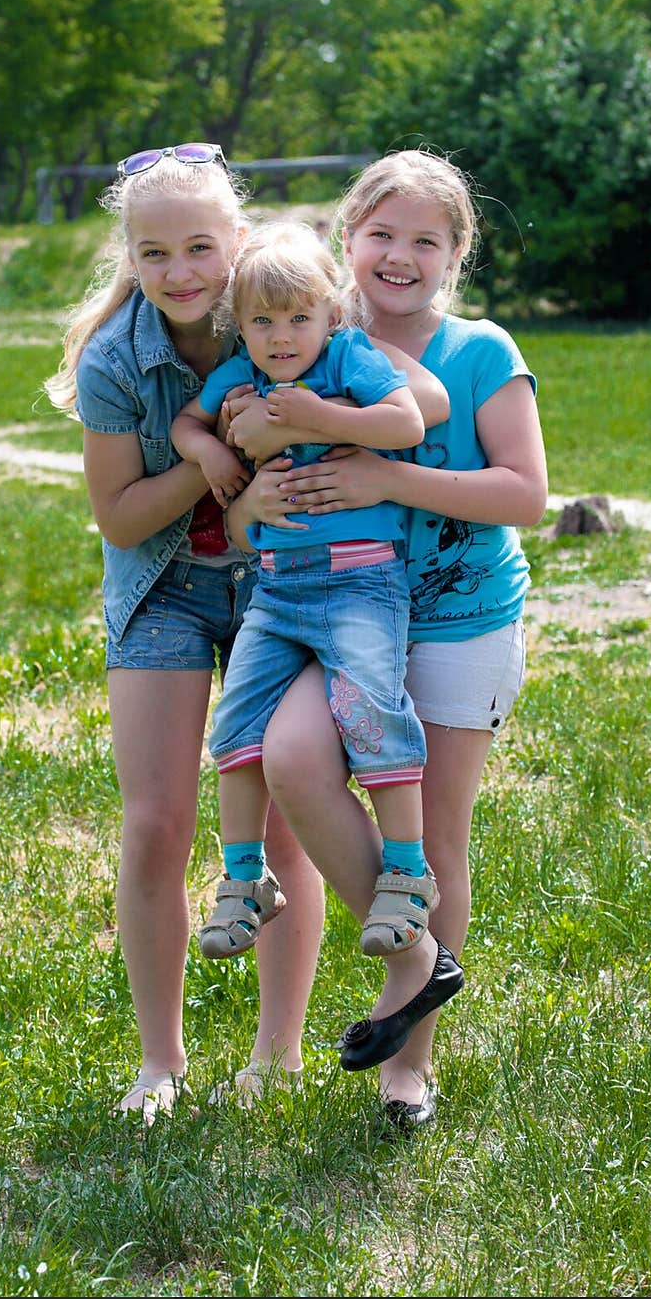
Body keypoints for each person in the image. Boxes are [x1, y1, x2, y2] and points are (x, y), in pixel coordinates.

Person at [225, 148, 548, 1131]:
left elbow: (524, 494)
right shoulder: (303, 338)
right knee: (287, 758)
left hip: (456, 620)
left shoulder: (479, 351)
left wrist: (388, 478)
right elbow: (244, 501)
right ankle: (418, 963)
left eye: (426, 239)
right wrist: (252, 506)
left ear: (456, 254)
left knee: (436, 834)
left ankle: (409, 1063)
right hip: (337, 617)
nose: (399, 255)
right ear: (346, 242)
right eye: (381, 234)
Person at [43, 143, 328, 1120]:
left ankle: (275, 1056)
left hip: (278, 589)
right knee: (156, 822)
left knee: (281, 821)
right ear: (130, 255)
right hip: (160, 589)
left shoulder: (282, 321)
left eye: (201, 246)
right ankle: (159, 1062)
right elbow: (120, 518)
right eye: (154, 252)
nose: (181, 271)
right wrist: (218, 458)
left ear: (236, 241)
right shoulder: (119, 356)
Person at [171, 219, 450, 966]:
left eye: (299, 317)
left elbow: (407, 419)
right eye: (262, 320)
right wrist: (206, 451)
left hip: (360, 581)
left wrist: (312, 416)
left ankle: (406, 870)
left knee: (371, 711)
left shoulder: (349, 358)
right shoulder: (243, 377)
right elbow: (186, 423)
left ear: (331, 314)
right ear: (242, 326)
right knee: (236, 728)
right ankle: (243, 881)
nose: (282, 335)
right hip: (278, 588)